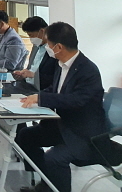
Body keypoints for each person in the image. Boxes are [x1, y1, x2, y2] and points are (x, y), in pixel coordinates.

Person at [16, 22, 106, 192]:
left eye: (49, 45)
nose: (47, 48)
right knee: (25, 135)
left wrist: (42, 98)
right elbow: (55, 89)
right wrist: (35, 98)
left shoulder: (88, 70)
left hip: (82, 133)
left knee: (54, 158)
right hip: (62, 125)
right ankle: (46, 183)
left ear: (58, 47)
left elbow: (76, 100)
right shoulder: (61, 64)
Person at [12, 16, 55, 92]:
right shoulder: (36, 46)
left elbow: (55, 78)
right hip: (27, 85)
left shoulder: (55, 51)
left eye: (31, 35)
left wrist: (34, 75)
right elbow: (30, 67)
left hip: (41, 90)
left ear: (42, 31)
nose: (30, 39)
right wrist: (23, 74)